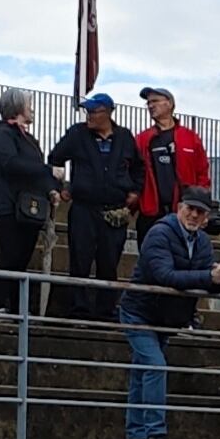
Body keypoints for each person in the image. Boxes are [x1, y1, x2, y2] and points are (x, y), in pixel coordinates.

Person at [118, 187, 220, 439]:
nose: (193, 215)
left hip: (164, 316)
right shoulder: (159, 233)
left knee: (142, 371)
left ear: (206, 218)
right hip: (139, 311)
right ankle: (154, 434)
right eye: (189, 209)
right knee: (154, 366)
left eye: (200, 212)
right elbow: (165, 275)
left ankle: (136, 436)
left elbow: (205, 281)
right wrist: (211, 278)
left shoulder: (202, 242)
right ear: (179, 208)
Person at [46, 93, 145, 322]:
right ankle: (78, 309)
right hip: (83, 208)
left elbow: (139, 168)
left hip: (114, 210)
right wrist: (59, 186)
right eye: (87, 112)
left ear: (108, 113)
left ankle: (105, 311)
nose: (89, 116)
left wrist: (135, 191)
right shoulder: (77, 133)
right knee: (80, 259)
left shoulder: (125, 137)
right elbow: (55, 159)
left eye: (93, 112)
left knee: (109, 262)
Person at [0, 89, 61, 315]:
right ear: (17, 107)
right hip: (8, 205)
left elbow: (36, 173)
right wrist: (49, 170)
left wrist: (51, 189)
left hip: (29, 207)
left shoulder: (30, 140)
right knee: (11, 254)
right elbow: (11, 164)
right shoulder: (2, 133)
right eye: (28, 104)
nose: (32, 109)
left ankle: (15, 308)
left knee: (21, 258)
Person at [132, 87, 211, 243]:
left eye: (154, 101)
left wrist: (202, 204)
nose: (150, 106)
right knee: (150, 257)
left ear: (169, 104)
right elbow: (133, 171)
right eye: (148, 103)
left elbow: (202, 171)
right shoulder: (142, 139)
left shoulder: (190, 137)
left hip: (184, 211)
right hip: (151, 212)